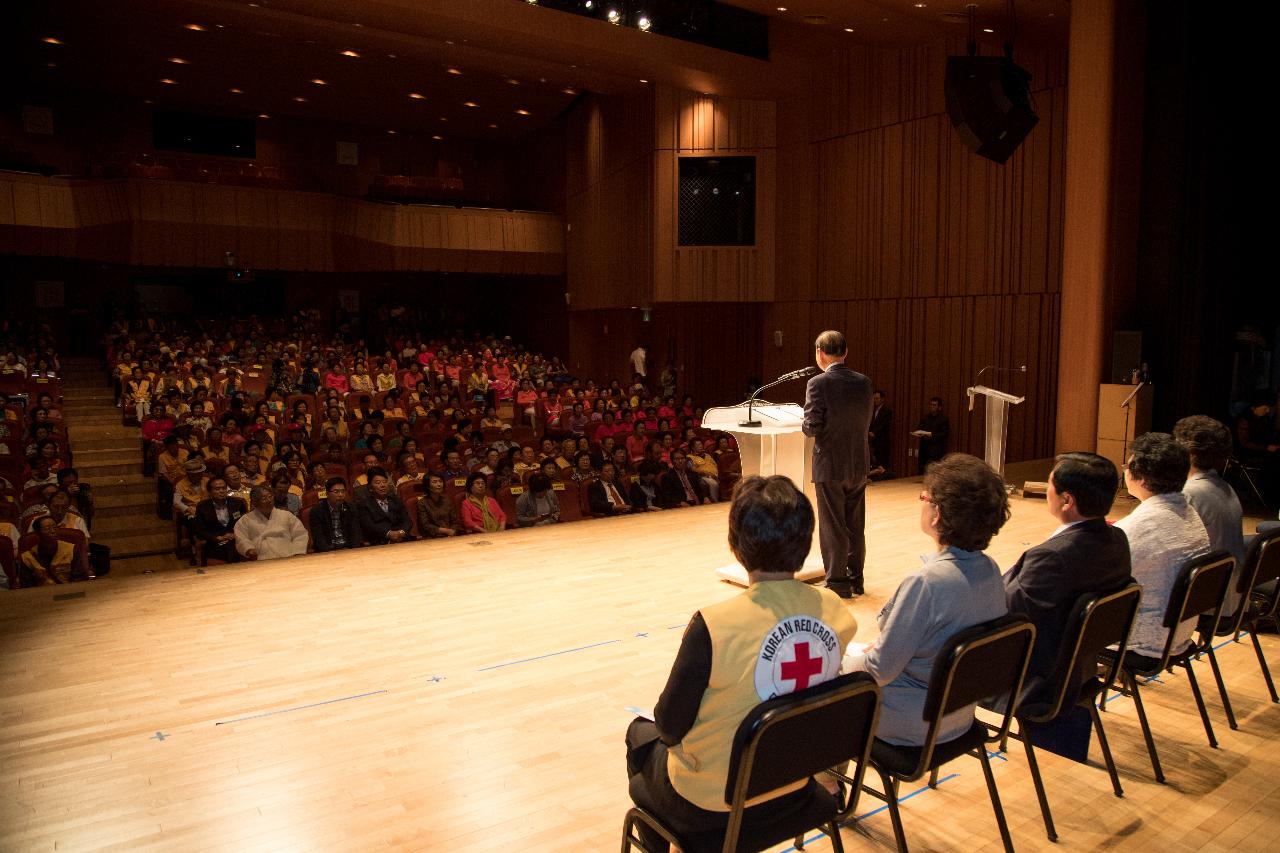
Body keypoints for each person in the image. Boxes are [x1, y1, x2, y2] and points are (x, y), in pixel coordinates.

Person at [625, 476, 857, 846]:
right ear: (806, 541)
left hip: (714, 804)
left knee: (640, 735)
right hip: (793, 782)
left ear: (736, 544)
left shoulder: (714, 626)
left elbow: (670, 727)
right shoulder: (836, 611)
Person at [843, 453, 1009, 745]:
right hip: (959, 715)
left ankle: (830, 788)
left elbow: (880, 670)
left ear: (938, 514)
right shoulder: (990, 570)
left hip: (912, 723)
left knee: (822, 686)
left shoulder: (928, 584)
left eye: (924, 497)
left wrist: (844, 661)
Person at [1002, 452, 1132, 698]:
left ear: (1066, 500)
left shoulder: (1054, 557)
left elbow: (1005, 609)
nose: (1047, 491)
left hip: (1040, 678)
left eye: (1049, 485)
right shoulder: (1118, 539)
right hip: (1081, 665)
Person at [1116, 432, 1212, 659]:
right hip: (1181, 632)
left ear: (1141, 478)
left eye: (1127, 467)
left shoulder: (1135, 528)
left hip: (1145, 642)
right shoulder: (1190, 513)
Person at [803, 330, 874, 598]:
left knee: (833, 524)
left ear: (820, 353)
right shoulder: (864, 382)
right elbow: (866, 421)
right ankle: (856, 580)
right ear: (845, 352)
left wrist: (803, 422)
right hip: (857, 462)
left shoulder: (818, 383)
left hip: (830, 464)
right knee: (855, 524)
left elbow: (812, 427)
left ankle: (837, 583)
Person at [1174, 415, 1247, 614]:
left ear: (1185, 453)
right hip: (1232, 595)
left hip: (1208, 601)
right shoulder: (1225, 487)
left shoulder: (1189, 493)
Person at [235, 485, 309, 561]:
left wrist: (297, 552)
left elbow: (300, 534)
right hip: (260, 558)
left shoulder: (286, 515)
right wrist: (249, 550)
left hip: (288, 555)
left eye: (270, 496)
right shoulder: (245, 520)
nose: (269, 500)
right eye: (264, 498)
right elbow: (241, 538)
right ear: (255, 503)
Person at [193, 476, 248, 563]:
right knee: (228, 550)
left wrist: (235, 534)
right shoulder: (202, 507)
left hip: (235, 539)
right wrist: (217, 538)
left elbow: (245, 524)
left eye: (223, 488)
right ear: (210, 492)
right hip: (214, 542)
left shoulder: (237, 503)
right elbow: (199, 530)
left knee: (234, 547)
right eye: (217, 489)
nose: (221, 491)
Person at [355, 467, 416, 545]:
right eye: (378, 483)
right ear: (370, 488)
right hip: (379, 542)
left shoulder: (396, 500)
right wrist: (389, 533)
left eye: (384, 482)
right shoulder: (364, 504)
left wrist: (401, 532)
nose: (382, 485)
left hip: (401, 540)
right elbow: (368, 525)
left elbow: (407, 521)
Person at [19, 515, 84, 585]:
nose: (52, 531)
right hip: (41, 593)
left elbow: (79, 577)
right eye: (47, 529)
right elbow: (27, 585)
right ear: (38, 534)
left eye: (55, 527)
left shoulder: (71, 549)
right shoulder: (28, 557)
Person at [309, 477, 363, 551]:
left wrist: (353, 551)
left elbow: (356, 533)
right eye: (336, 491)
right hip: (328, 550)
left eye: (343, 491)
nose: (340, 495)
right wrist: (330, 553)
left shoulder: (351, 508)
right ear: (327, 494)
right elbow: (318, 538)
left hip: (347, 548)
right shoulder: (317, 511)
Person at [417, 473, 462, 537]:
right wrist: (445, 531)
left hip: (451, 535)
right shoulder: (422, 503)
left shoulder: (447, 500)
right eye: (434, 482)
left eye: (440, 481)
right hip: (432, 537)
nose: (439, 484)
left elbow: (454, 521)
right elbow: (425, 525)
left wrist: (453, 531)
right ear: (427, 486)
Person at [915, 397, 949, 474]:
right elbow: (919, 428)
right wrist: (919, 433)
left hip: (936, 449)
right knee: (922, 469)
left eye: (934, 405)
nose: (932, 406)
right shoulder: (925, 417)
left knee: (934, 470)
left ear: (939, 407)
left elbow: (944, 433)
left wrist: (932, 436)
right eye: (931, 404)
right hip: (924, 447)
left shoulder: (943, 419)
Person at [868, 389, 892, 478]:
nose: (875, 400)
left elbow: (884, 425)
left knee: (882, 462)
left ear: (882, 399)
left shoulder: (887, 410)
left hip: (882, 441)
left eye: (877, 398)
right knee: (875, 461)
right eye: (874, 398)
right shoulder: (873, 410)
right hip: (873, 441)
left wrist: (874, 432)